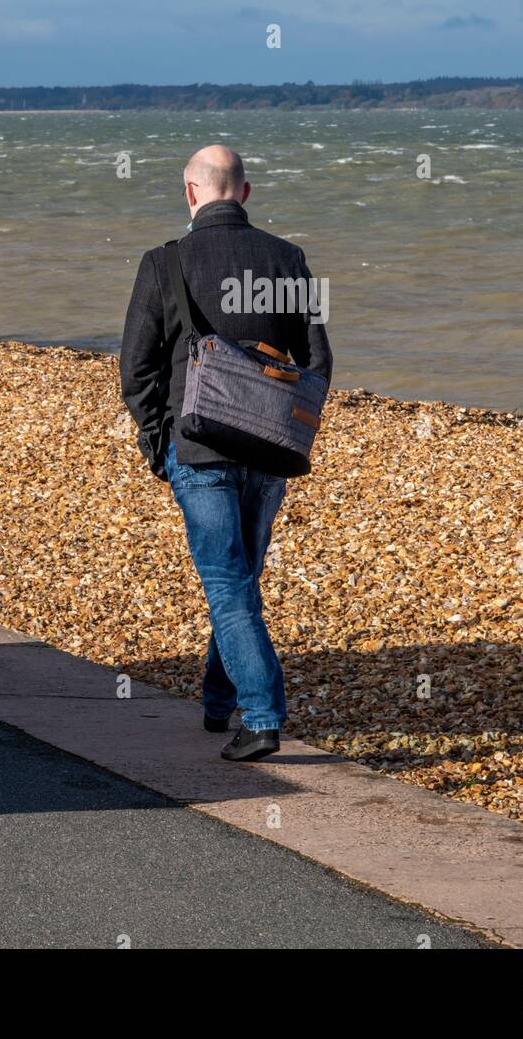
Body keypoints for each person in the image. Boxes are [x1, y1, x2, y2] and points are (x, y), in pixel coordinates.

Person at [120, 145, 333, 761]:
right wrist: (295, 426)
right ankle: (219, 705)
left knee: (225, 581)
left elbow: (137, 369)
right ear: (245, 191)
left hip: (198, 445)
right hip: (268, 446)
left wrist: (157, 440)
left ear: (190, 193)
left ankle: (263, 717)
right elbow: (316, 359)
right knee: (239, 580)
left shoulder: (165, 262)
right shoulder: (287, 259)